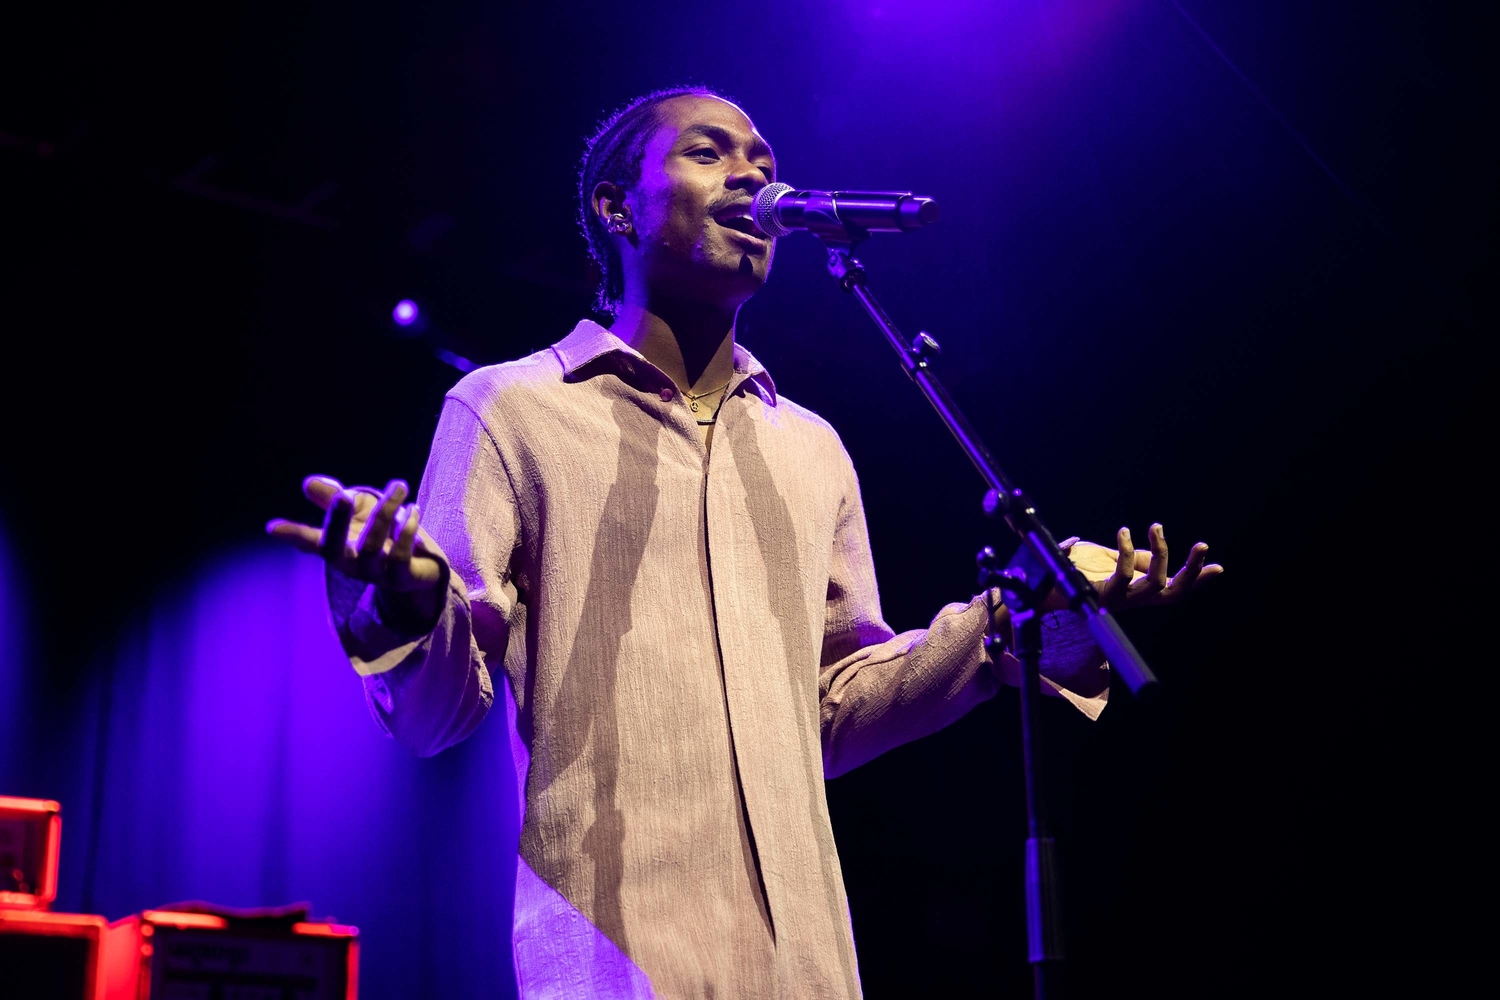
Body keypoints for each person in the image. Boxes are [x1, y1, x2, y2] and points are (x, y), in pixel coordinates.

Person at [269, 86, 1221, 999]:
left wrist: (1018, 623)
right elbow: (437, 716)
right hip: (618, 958)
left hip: (807, 962)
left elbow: (835, 706)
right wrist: (402, 599)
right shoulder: (510, 409)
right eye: (708, 152)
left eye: (763, 160)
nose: (751, 175)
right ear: (617, 208)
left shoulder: (809, 448)